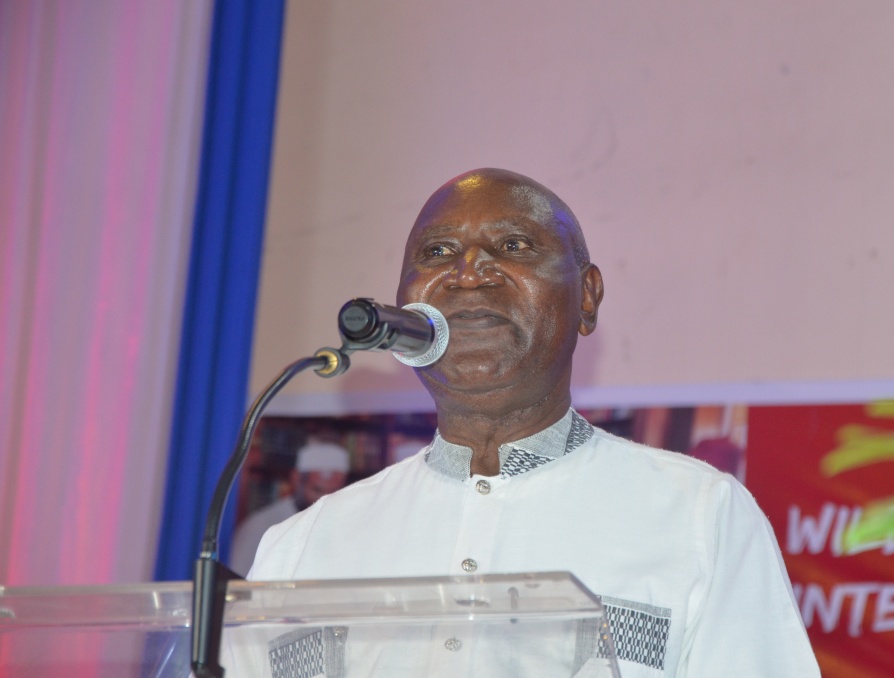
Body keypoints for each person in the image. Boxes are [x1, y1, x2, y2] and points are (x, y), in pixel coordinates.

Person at [247, 168, 820, 676]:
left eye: (513, 245)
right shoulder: (302, 546)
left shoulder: (699, 517)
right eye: (438, 252)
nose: (468, 274)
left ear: (587, 297)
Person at [229, 440, 350, 575]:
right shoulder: (261, 525)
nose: (325, 499)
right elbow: (236, 580)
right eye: (317, 490)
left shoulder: (344, 524)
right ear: (296, 479)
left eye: (333, 492)